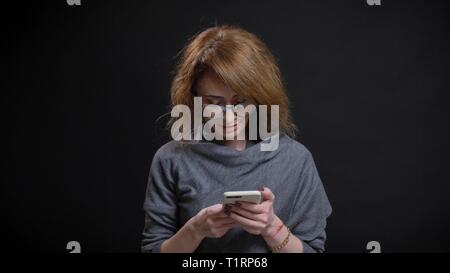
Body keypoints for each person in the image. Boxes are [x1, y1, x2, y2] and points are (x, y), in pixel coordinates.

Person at [142, 25, 332, 253]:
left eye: (240, 102)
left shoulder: (296, 159)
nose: (229, 116)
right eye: (214, 102)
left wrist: (272, 228)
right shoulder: (171, 159)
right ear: (196, 100)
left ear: (259, 98)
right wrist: (196, 229)